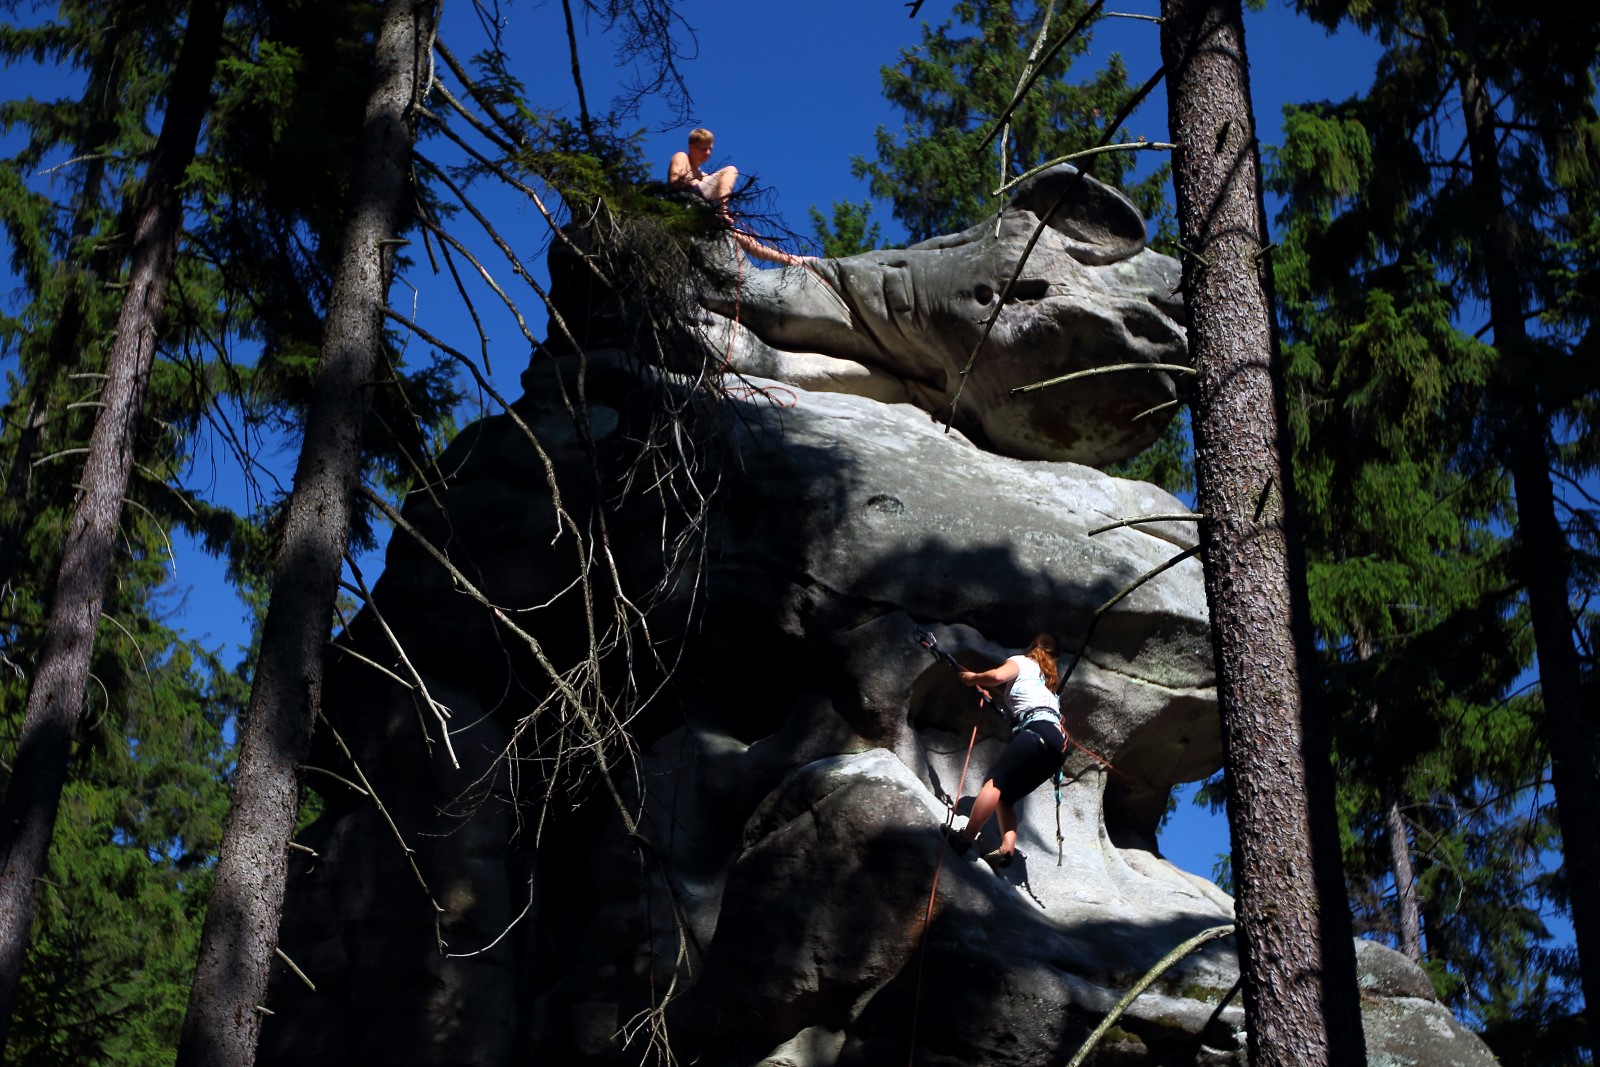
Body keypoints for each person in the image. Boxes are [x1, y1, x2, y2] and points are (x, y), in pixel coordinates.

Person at [944, 633, 1066, 867]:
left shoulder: (1022, 661)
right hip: (1056, 746)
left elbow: (998, 676)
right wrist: (987, 690)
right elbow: (1017, 694)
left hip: (1036, 731)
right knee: (1006, 799)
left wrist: (973, 678)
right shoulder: (1048, 687)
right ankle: (1006, 850)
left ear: (1033, 649)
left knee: (995, 783)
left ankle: (964, 838)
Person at [667, 127, 810, 267]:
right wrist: (720, 209)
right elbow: (675, 182)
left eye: (710, 148)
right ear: (691, 147)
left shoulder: (703, 175)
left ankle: (789, 259)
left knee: (743, 237)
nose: (708, 153)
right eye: (704, 148)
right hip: (686, 201)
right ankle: (724, 211)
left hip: (701, 213)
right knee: (730, 170)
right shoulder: (681, 156)